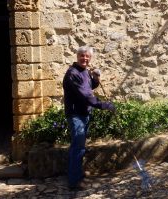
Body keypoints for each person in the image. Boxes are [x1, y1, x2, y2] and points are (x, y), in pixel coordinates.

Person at [63, 46, 116, 189]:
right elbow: (86, 96)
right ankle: (75, 181)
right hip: (76, 115)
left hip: (84, 114)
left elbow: (89, 86)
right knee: (77, 148)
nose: (84, 59)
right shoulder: (72, 74)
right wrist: (105, 105)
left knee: (80, 146)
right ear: (77, 56)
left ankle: (78, 174)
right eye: (82, 56)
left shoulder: (84, 71)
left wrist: (96, 78)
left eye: (87, 57)